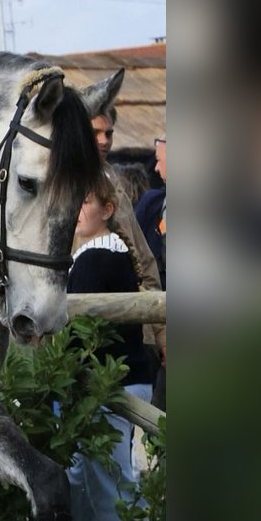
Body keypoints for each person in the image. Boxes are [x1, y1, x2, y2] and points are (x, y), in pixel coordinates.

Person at [67, 184, 158, 521]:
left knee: (109, 487)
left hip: (108, 386)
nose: (77, 210)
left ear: (108, 209)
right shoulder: (100, 252)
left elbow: (70, 331)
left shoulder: (96, 256)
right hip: (107, 384)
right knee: (89, 485)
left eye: (86, 202)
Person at [91, 107, 166, 372]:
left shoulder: (111, 181)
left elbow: (143, 261)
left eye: (109, 133)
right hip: (82, 335)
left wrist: (159, 332)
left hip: (132, 332)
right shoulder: (57, 182)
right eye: (95, 132)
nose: (104, 140)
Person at [135, 137, 167, 409]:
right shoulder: (151, 204)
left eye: (160, 160)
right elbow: (139, 264)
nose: (156, 169)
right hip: (154, 343)